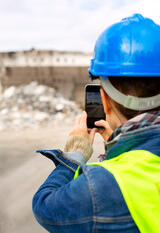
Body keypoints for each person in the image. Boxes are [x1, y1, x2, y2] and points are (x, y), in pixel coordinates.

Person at [32, 14, 160, 233]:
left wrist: (74, 154)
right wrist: (120, 147)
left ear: (104, 99)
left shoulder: (100, 186)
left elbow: (45, 206)